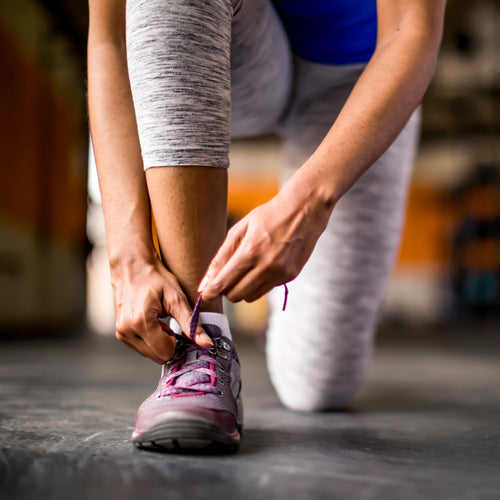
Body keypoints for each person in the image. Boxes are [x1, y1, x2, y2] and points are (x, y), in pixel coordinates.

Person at [87, 0, 446, 452]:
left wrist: (309, 202)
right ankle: (203, 343)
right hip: (241, 45)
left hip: (360, 69)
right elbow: (109, 39)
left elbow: (411, 32)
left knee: (318, 385)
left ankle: (279, 317)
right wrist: (127, 253)